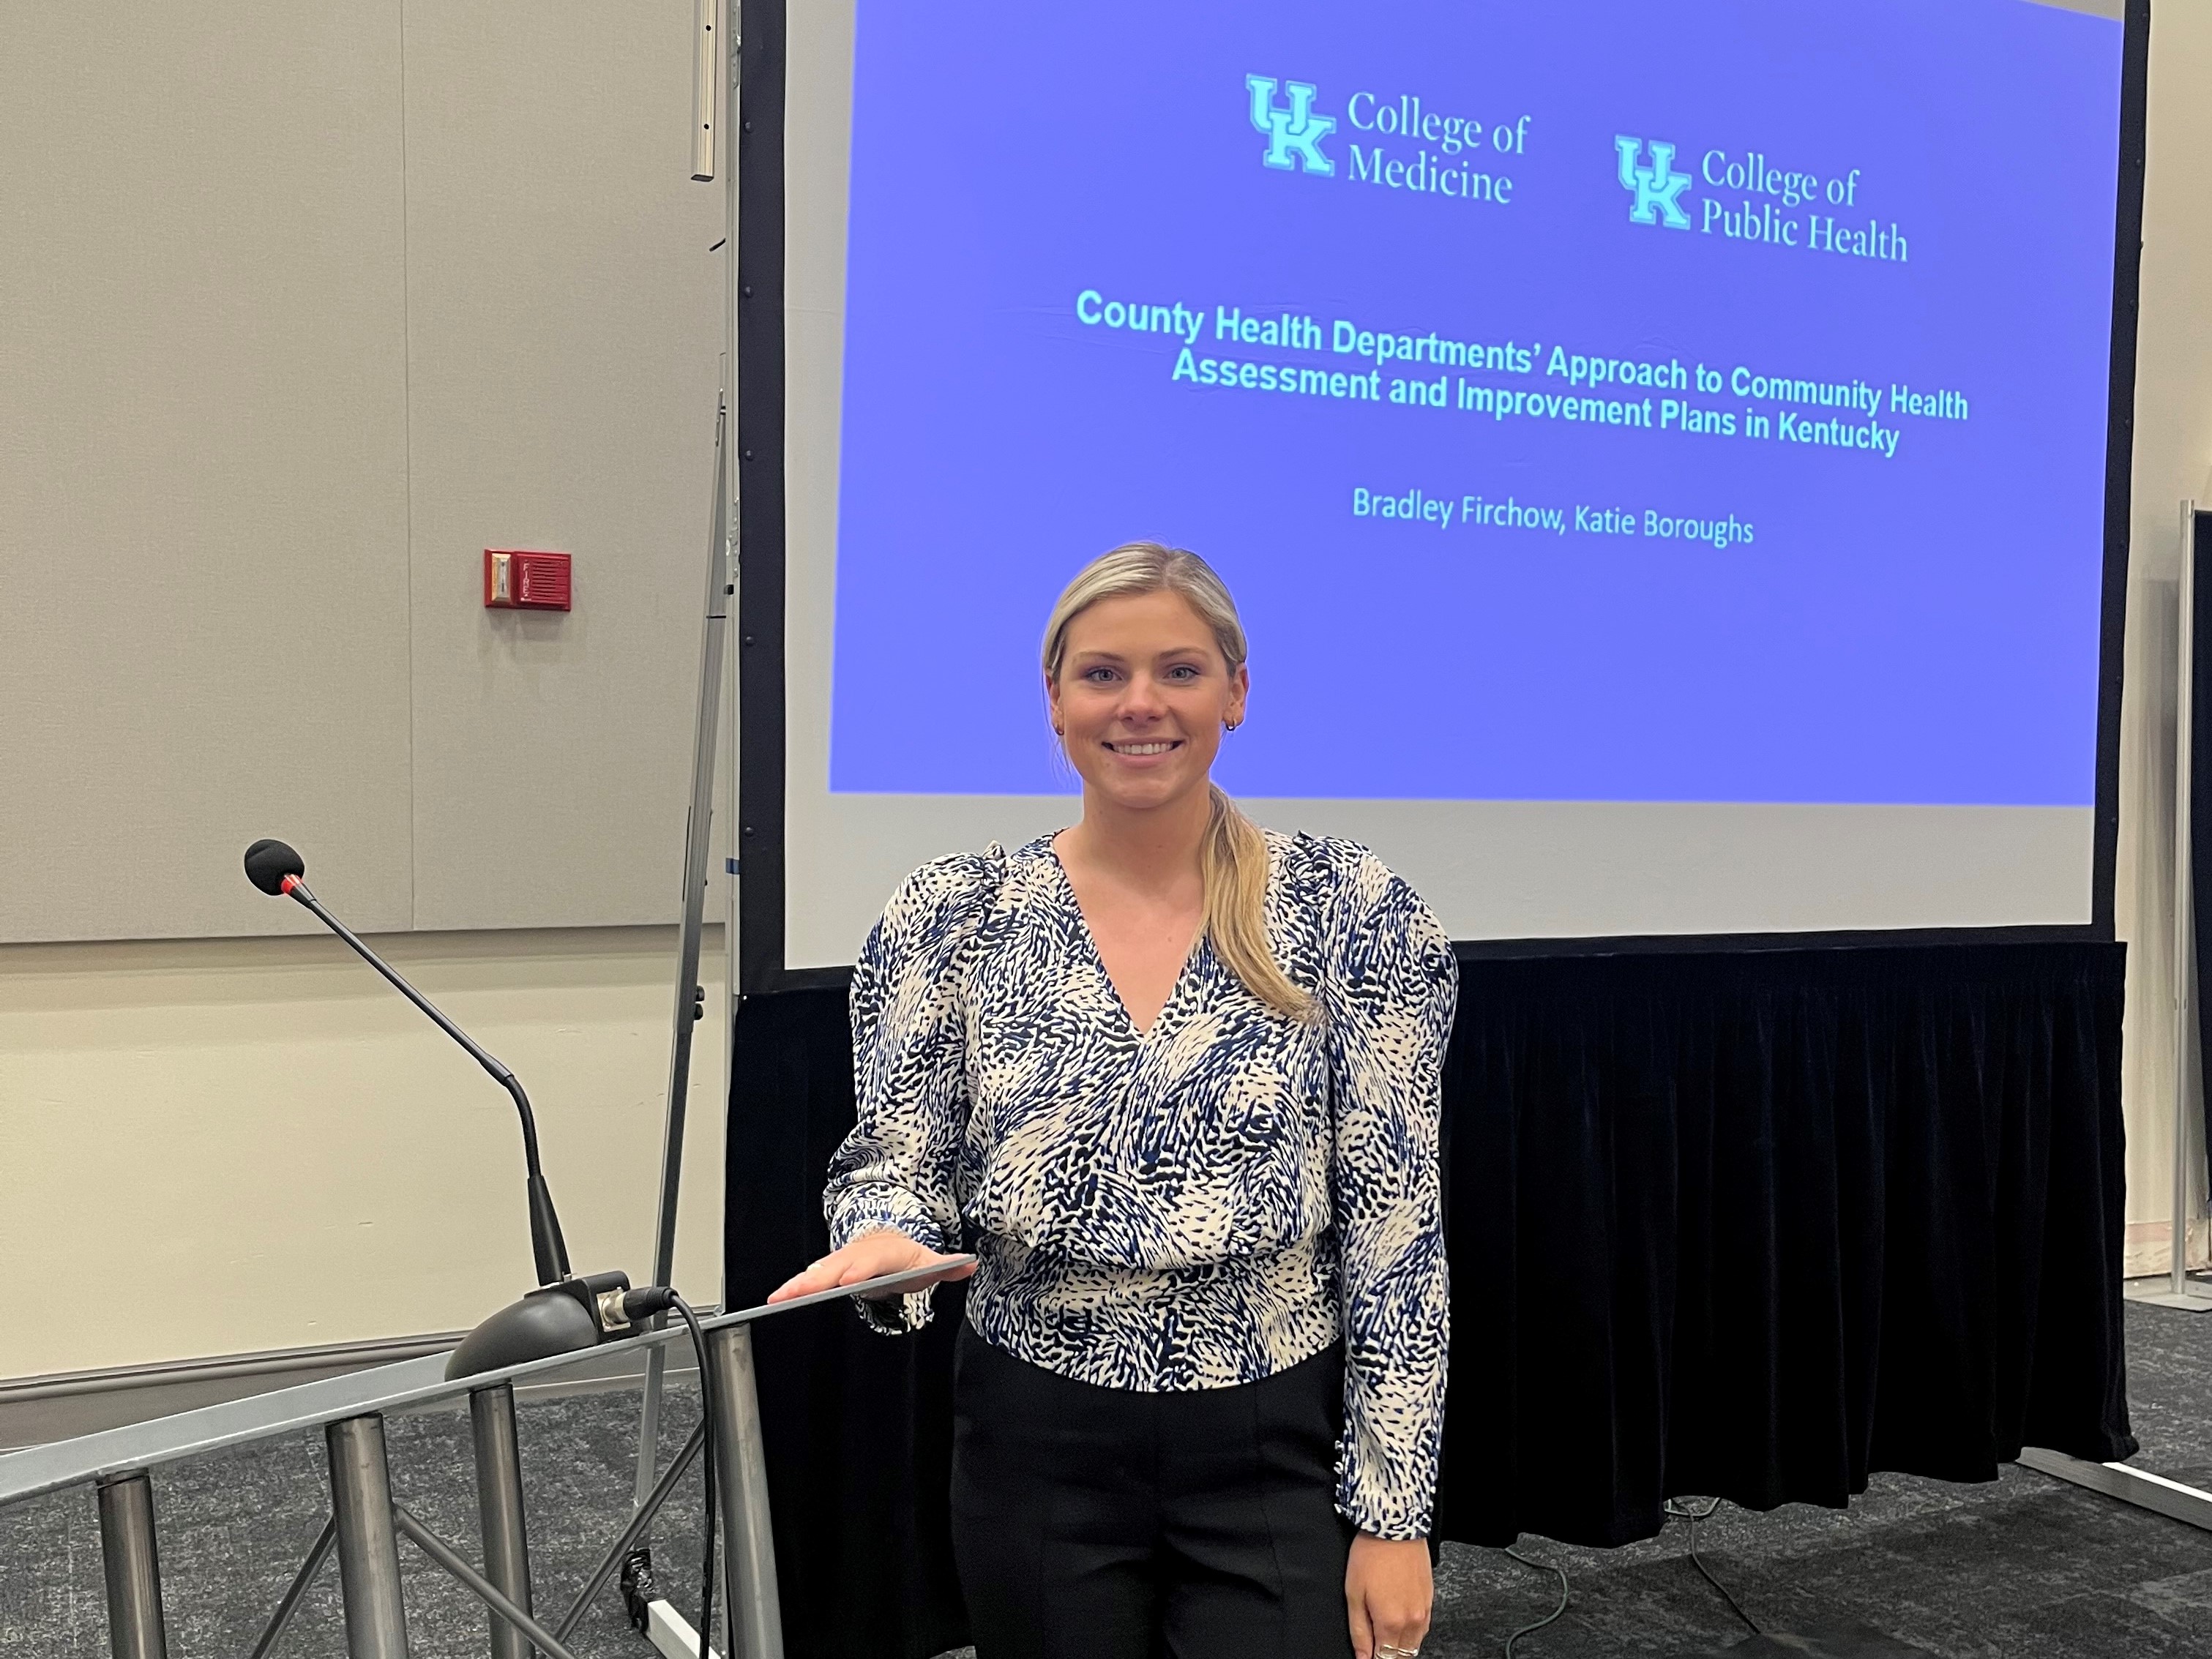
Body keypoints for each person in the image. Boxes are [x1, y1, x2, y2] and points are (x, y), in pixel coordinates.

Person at [769, 542, 1457, 1659]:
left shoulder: (1353, 910)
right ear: (1053, 701)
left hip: (1269, 1435)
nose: (1141, 705)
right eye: (1102, 674)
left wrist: (1393, 1514)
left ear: (1236, 691)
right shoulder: (952, 912)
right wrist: (886, 1230)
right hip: (1034, 1434)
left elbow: (1397, 1235)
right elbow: (891, 1154)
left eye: (1179, 671)